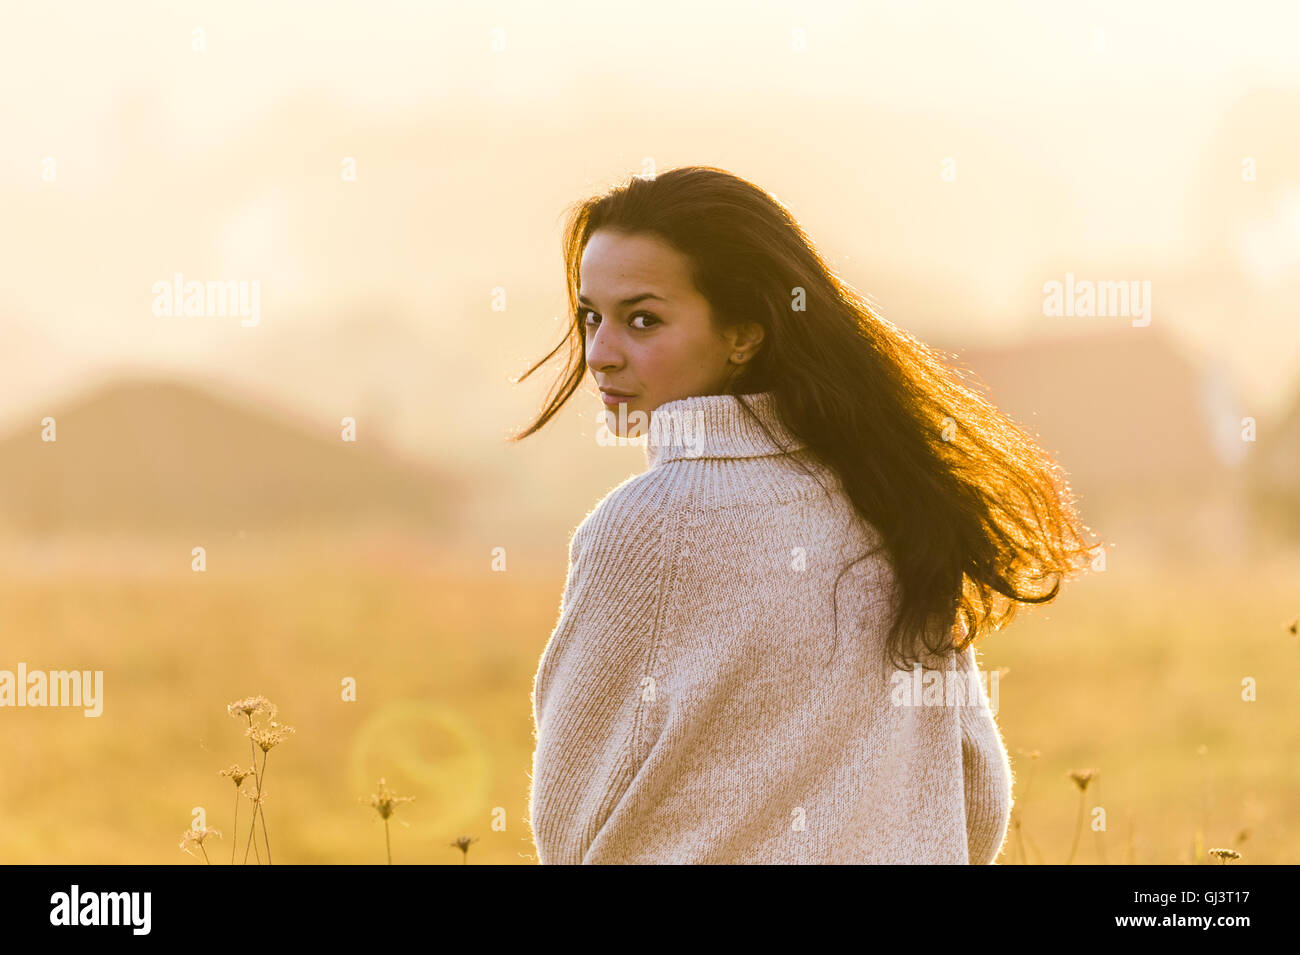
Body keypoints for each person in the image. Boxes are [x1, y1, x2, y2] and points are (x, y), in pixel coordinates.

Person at [511, 165, 1097, 864]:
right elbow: (979, 792)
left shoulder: (642, 530)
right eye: (590, 317)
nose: (601, 354)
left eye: (643, 319)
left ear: (743, 335)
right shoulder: (890, 496)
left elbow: (570, 823)